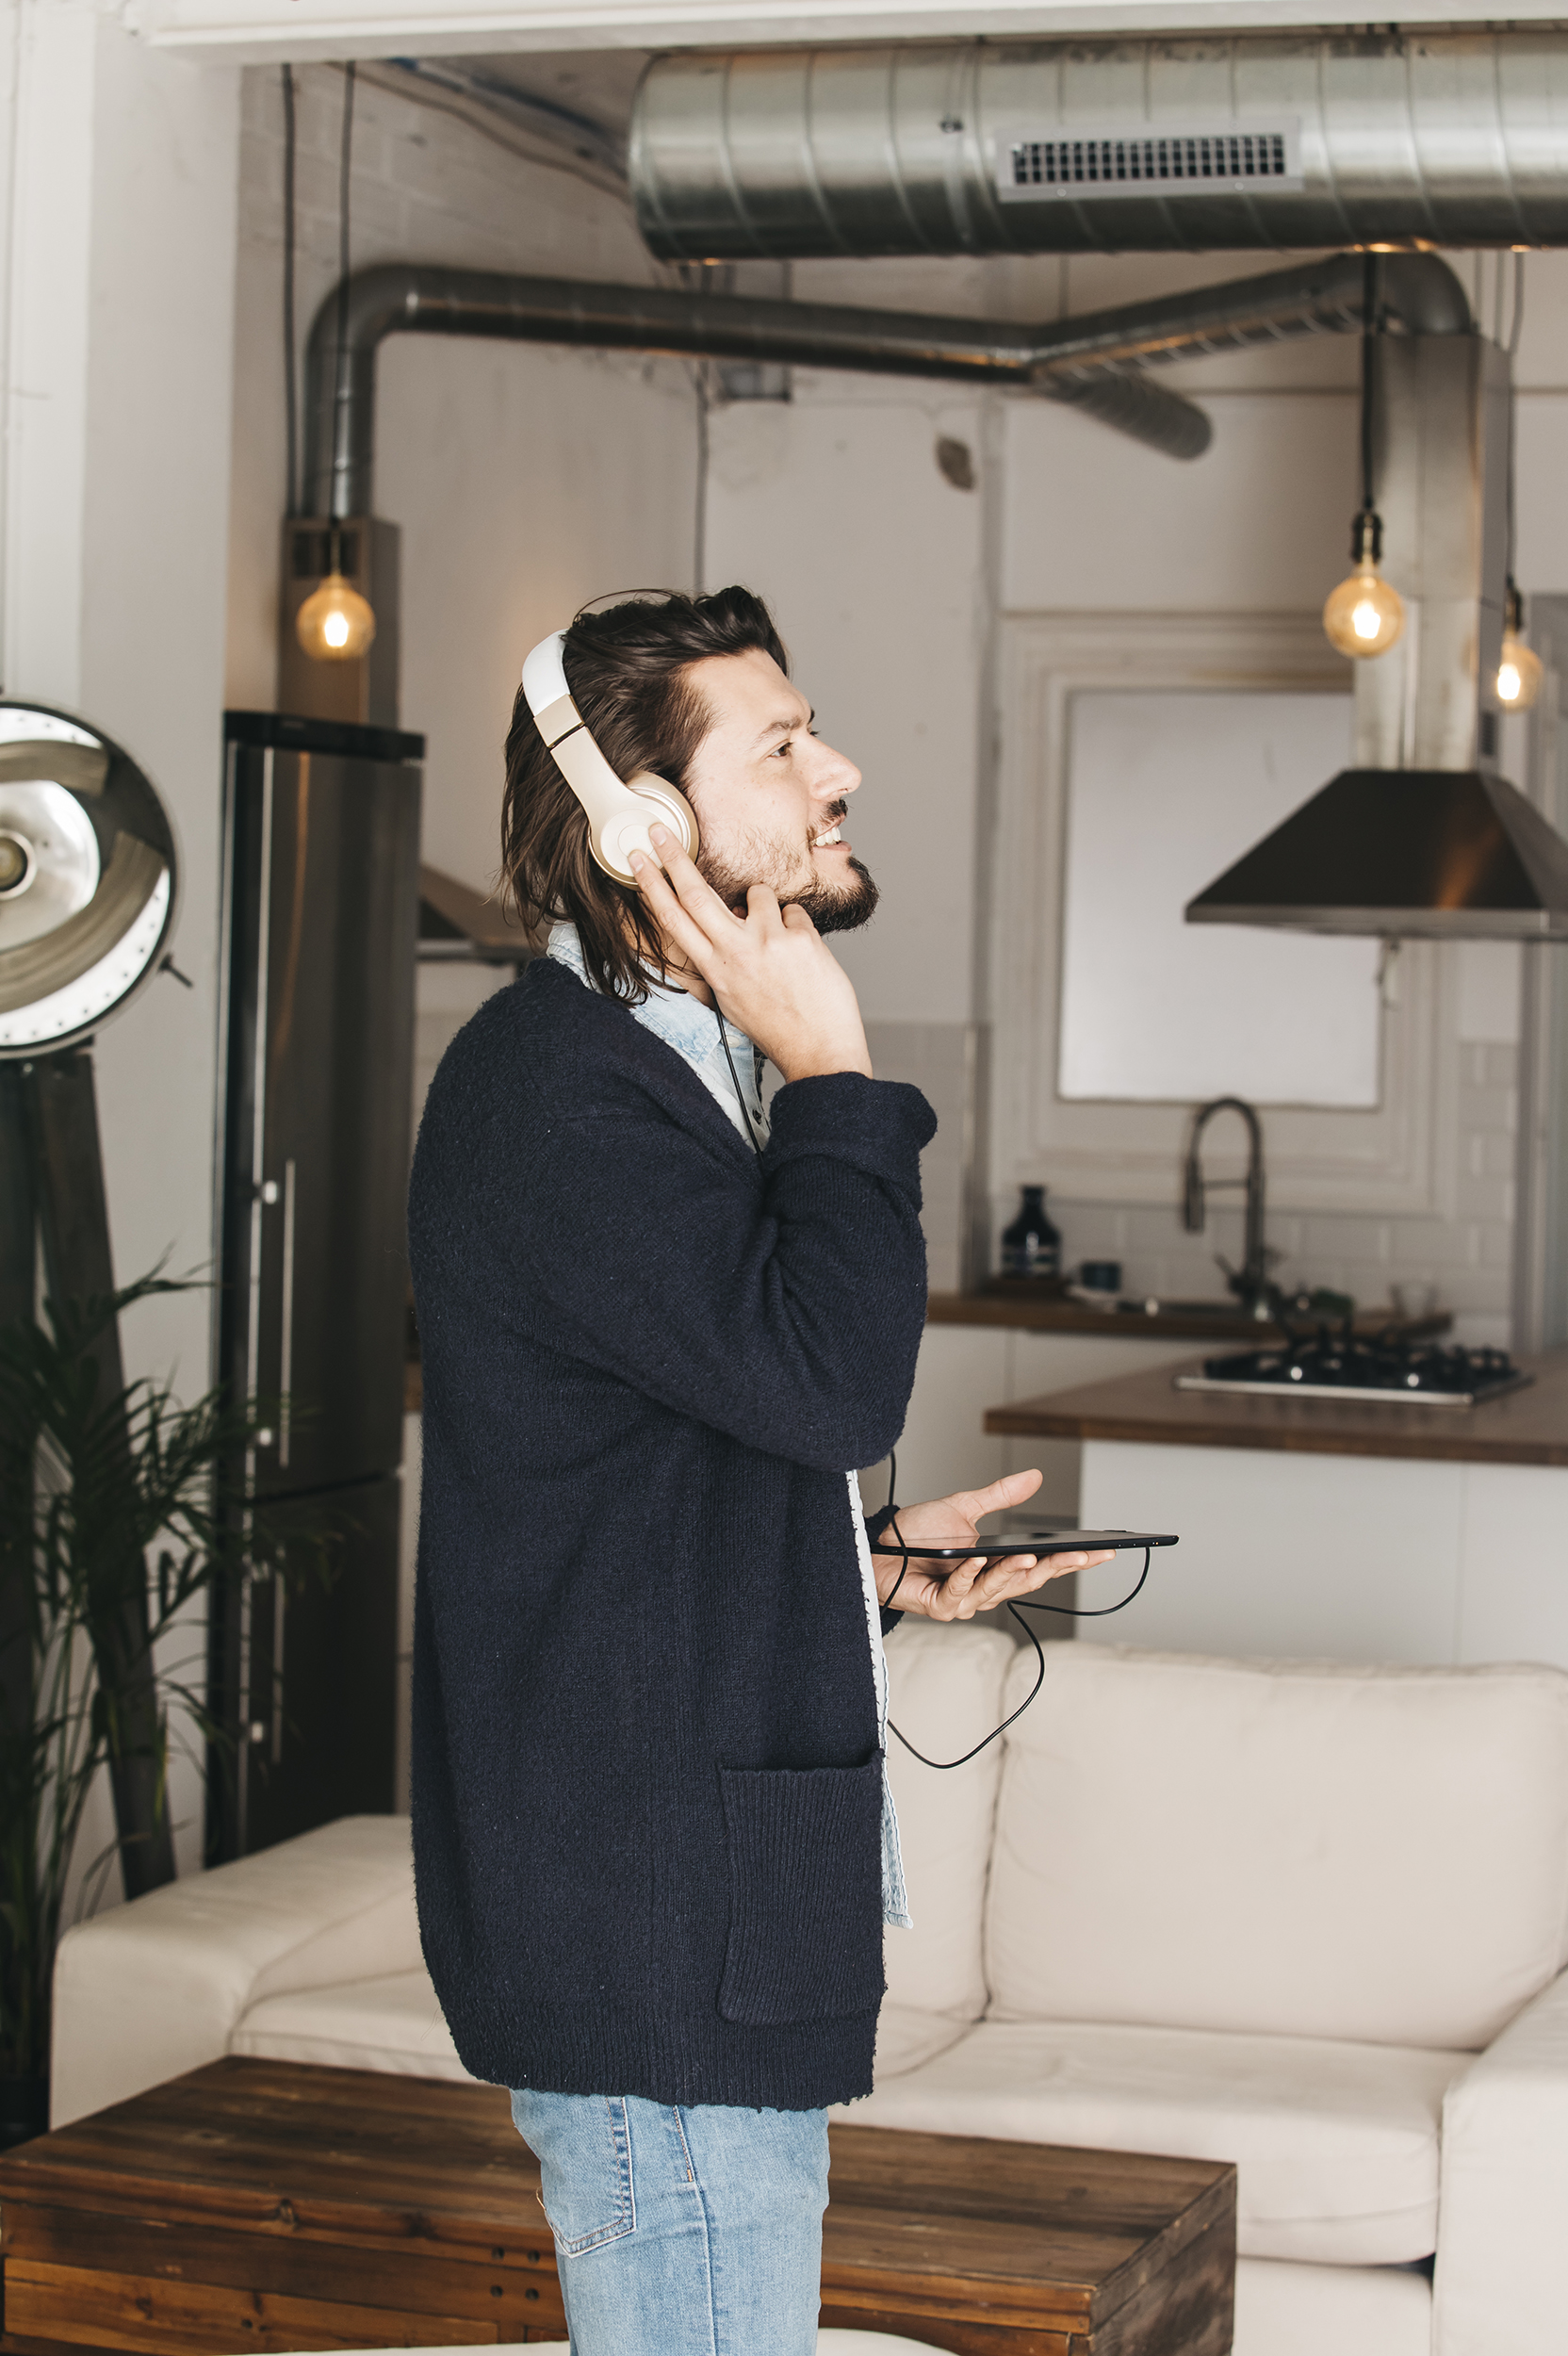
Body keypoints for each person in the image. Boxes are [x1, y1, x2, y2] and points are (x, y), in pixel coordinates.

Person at [406, 587, 1110, 2356]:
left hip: (696, 1903)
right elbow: (835, 1376)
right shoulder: (559, 1096)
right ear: (633, 820)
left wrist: (854, 1558)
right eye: (784, 744)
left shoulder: (672, 1076)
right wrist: (838, 1069)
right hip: (651, 1929)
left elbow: (685, 1446)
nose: (841, 770)